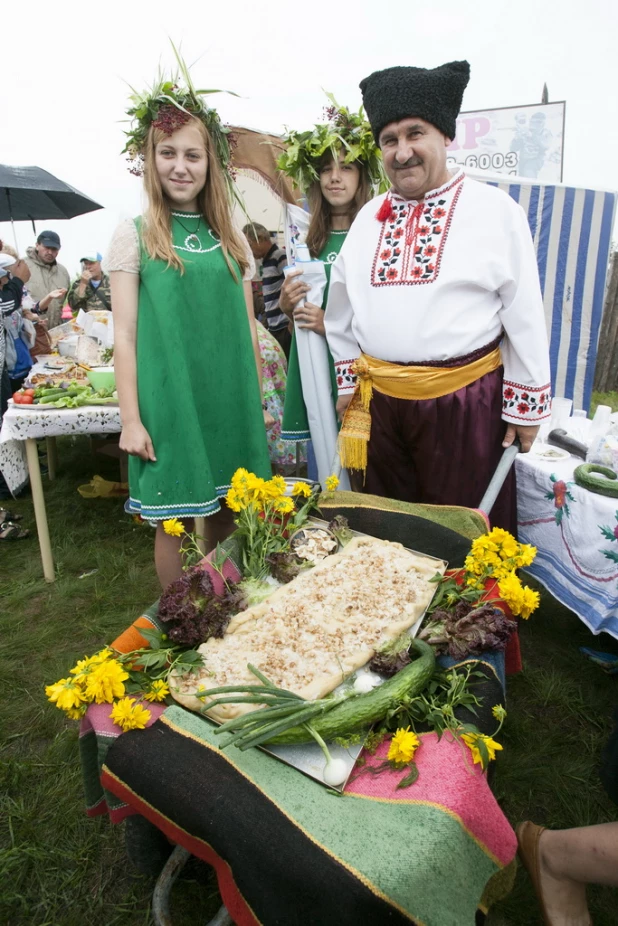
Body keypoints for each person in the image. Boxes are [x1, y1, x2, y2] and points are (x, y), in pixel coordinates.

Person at [324, 61, 551, 531]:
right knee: (387, 532)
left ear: (445, 136)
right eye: (390, 140)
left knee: (460, 533)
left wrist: (525, 407)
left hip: (463, 406)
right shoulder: (367, 220)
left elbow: (524, 313)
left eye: (415, 134)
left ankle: (469, 609)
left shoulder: (495, 212)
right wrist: (348, 384)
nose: (402, 152)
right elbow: (340, 312)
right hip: (380, 408)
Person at [108, 64, 273, 588]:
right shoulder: (133, 236)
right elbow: (126, 337)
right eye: (168, 153)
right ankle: (182, 618)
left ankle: (220, 605)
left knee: (225, 507)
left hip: (229, 397)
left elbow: (247, 329)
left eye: (192, 155)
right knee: (173, 518)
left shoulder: (233, 239)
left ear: (211, 163)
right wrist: (131, 420)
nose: (181, 166)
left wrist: (257, 403)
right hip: (170, 400)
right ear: (150, 160)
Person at [276, 100, 381, 454]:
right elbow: (298, 321)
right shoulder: (305, 243)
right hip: (314, 366)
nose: (335, 177)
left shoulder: (375, 237)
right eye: (326, 169)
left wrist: (330, 324)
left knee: (360, 465)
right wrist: (287, 305)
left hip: (361, 373)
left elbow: (385, 316)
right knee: (324, 469)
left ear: (362, 176)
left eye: (347, 167)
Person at [242, 223, 291, 359]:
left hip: (284, 326)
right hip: (274, 327)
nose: (250, 251)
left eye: (250, 245)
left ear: (261, 238)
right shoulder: (267, 262)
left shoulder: (279, 256)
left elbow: (291, 283)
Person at [24, 231, 70, 329]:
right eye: (47, 247)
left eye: (54, 249)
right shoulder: (22, 266)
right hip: (30, 333)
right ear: (37, 245)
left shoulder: (63, 272)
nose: (50, 252)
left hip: (55, 333)